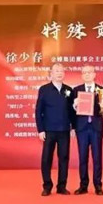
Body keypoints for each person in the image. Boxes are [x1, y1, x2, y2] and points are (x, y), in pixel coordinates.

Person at [68, 65, 103, 195]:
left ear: (94, 74)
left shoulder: (101, 90)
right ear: (81, 75)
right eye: (84, 72)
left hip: (96, 128)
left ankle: (98, 185)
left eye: (89, 72)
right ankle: (83, 185)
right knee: (83, 158)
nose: (87, 74)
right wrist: (75, 105)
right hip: (82, 129)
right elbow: (71, 111)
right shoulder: (76, 90)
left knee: (97, 158)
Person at [35, 63, 74, 196]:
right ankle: (47, 186)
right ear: (51, 74)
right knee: (46, 159)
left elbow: (72, 111)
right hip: (49, 130)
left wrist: (73, 127)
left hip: (64, 130)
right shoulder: (44, 89)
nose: (59, 73)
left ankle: (61, 186)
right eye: (56, 71)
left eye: (61, 71)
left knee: (64, 158)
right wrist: (40, 130)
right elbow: (38, 111)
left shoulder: (69, 90)